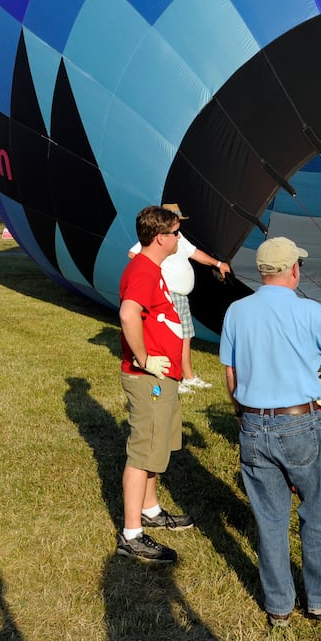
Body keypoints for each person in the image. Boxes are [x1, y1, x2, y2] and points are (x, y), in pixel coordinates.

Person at [220, 236, 321, 626]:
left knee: (269, 520)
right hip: (299, 422)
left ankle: (279, 607)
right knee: (317, 513)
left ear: (262, 271)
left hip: (253, 421)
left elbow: (231, 373)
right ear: (294, 269)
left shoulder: (236, 311)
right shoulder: (310, 312)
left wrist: (243, 415)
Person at [114, 205, 192, 564]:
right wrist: (145, 359)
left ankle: (150, 509)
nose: (179, 238)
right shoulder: (143, 271)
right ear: (161, 238)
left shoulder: (151, 268)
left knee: (156, 447)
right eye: (175, 233)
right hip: (149, 379)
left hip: (162, 377)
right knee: (143, 452)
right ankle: (131, 535)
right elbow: (128, 313)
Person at [127, 203, 230, 393]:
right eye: (176, 223)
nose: (179, 228)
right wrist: (158, 274)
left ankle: (187, 376)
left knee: (185, 336)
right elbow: (134, 253)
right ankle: (175, 378)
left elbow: (195, 253)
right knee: (174, 336)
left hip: (181, 296)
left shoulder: (178, 238)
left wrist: (218, 263)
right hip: (171, 294)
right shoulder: (159, 240)